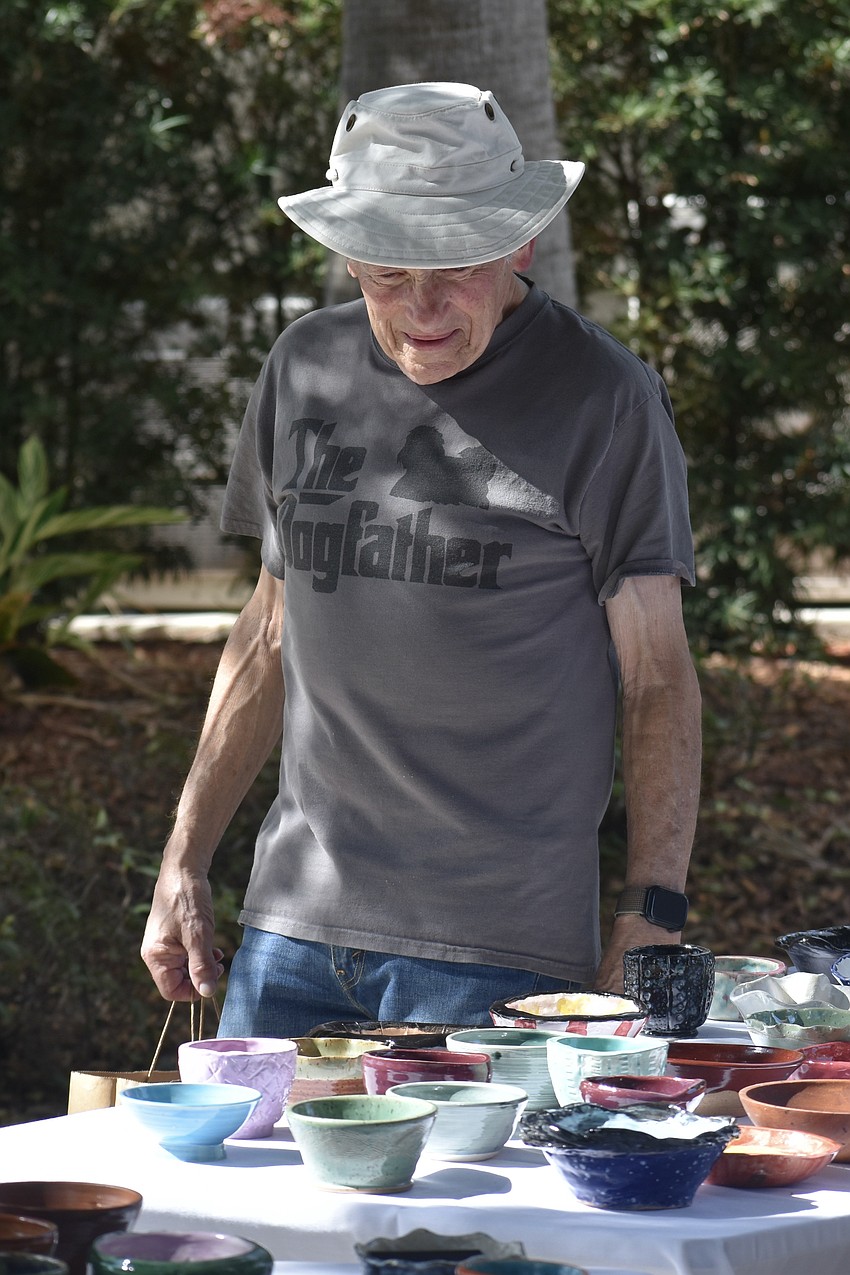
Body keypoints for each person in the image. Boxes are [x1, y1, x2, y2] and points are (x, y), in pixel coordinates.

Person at [141, 82, 702, 1037]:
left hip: (494, 949)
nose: (422, 308)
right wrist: (183, 857)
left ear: (519, 242)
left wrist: (651, 912)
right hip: (291, 931)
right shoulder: (303, 366)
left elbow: (656, 677)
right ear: (348, 256)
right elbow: (269, 633)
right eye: (388, 272)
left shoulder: (602, 398)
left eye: (456, 266)